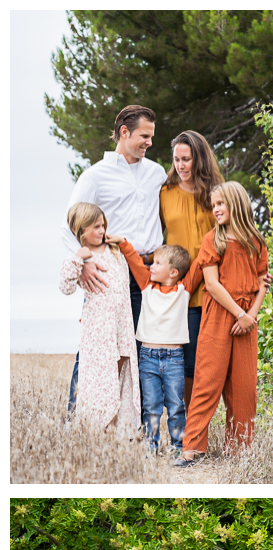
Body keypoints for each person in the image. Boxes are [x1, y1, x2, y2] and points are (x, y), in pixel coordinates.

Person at [61, 105, 166, 414]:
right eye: (144, 136)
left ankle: (135, 429)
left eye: (151, 136)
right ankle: (76, 420)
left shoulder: (156, 172)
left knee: (141, 352)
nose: (149, 142)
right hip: (111, 272)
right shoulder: (95, 176)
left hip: (149, 271)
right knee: (97, 350)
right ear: (124, 132)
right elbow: (68, 223)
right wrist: (84, 263)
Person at [174, 182, 268, 468]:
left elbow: (263, 283)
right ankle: (192, 448)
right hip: (219, 315)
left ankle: (239, 448)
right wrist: (239, 313)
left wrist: (249, 316)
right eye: (213, 205)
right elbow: (212, 285)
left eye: (220, 204)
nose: (215, 209)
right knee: (207, 380)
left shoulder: (256, 241)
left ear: (236, 204)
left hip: (246, 321)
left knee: (244, 388)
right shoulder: (213, 239)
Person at [109, 236, 204, 454]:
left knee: (176, 407)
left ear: (173, 273)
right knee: (150, 407)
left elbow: (200, 264)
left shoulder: (183, 290)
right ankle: (151, 448)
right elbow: (134, 260)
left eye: (158, 263)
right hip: (148, 357)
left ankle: (178, 446)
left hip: (174, 360)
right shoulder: (146, 286)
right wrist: (122, 242)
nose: (151, 266)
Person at [60, 203, 141, 433]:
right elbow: (65, 287)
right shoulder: (82, 259)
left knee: (121, 370)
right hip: (98, 327)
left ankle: (118, 425)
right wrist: (78, 258)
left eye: (103, 225)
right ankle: (97, 425)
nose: (102, 230)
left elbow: (123, 288)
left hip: (122, 323)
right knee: (99, 376)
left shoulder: (114, 251)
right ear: (81, 231)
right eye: (95, 227)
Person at [160, 131, 225, 412]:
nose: (181, 165)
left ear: (199, 159)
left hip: (212, 287)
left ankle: (199, 423)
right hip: (178, 292)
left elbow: (230, 237)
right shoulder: (164, 193)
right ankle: (186, 425)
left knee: (206, 362)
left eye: (186, 159)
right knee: (184, 362)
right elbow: (155, 238)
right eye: (176, 160)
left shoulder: (217, 193)